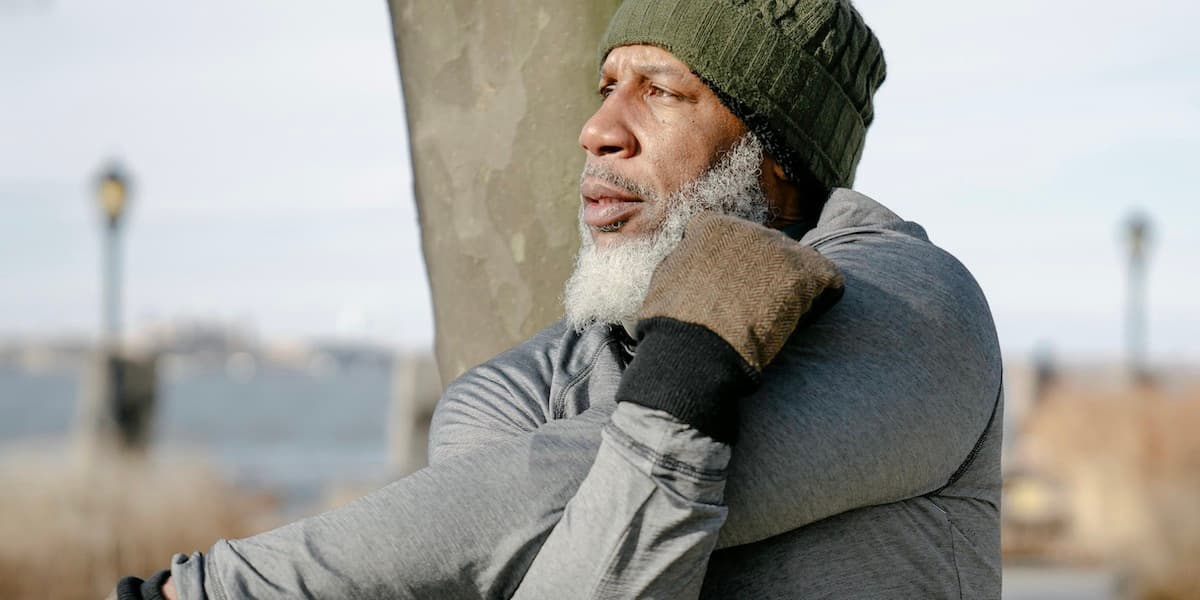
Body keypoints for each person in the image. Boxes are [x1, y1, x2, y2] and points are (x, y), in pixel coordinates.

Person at [115, 0, 1003, 598]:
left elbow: (536, 494)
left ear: (776, 157)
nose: (598, 130)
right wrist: (688, 372)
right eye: (606, 87)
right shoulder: (515, 391)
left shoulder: (922, 312)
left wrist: (225, 587)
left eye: (661, 91)